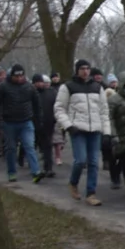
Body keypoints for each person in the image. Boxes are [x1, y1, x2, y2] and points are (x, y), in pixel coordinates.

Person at [54, 59, 111, 205]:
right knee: (80, 160)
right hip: (77, 129)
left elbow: (104, 111)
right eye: (82, 69)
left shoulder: (97, 87)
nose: (85, 71)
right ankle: (73, 182)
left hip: (95, 129)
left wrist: (106, 132)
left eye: (87, 68)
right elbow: (59, 108)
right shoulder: (68, 87)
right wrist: (68, 125)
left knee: (93, 162)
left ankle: (91, 194)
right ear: (77, 70)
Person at [0, 64, 42, 183]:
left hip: (26, 121)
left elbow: (37, 104)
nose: (19, 78)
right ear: (11, 76)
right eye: (17, 76)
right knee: (11, 149)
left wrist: (38, 120)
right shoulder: (3, 87)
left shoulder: (29, 87)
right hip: (8, 122)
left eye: (21, 75)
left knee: (29, 146)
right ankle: (12, 172)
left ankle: (35, 172)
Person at [36, 75, 57, 177]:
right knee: (31, 145)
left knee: (47, 146)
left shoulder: (51, 93)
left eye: (43, 82)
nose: (42, 84)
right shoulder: (31, 93)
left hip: (48, 124)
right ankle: (32, 166)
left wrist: (55, 119)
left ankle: (48, 168)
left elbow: (56, 106)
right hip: (33, 124)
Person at [49, 72, 64, 166]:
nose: (55, 79)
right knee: (54, 138)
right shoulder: (49, 89)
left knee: (58, 137)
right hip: (50, 115)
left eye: (56, 77)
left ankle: (58, 156)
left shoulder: (63, 88)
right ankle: (54, 156)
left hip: (60, 114)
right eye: (53, 77)